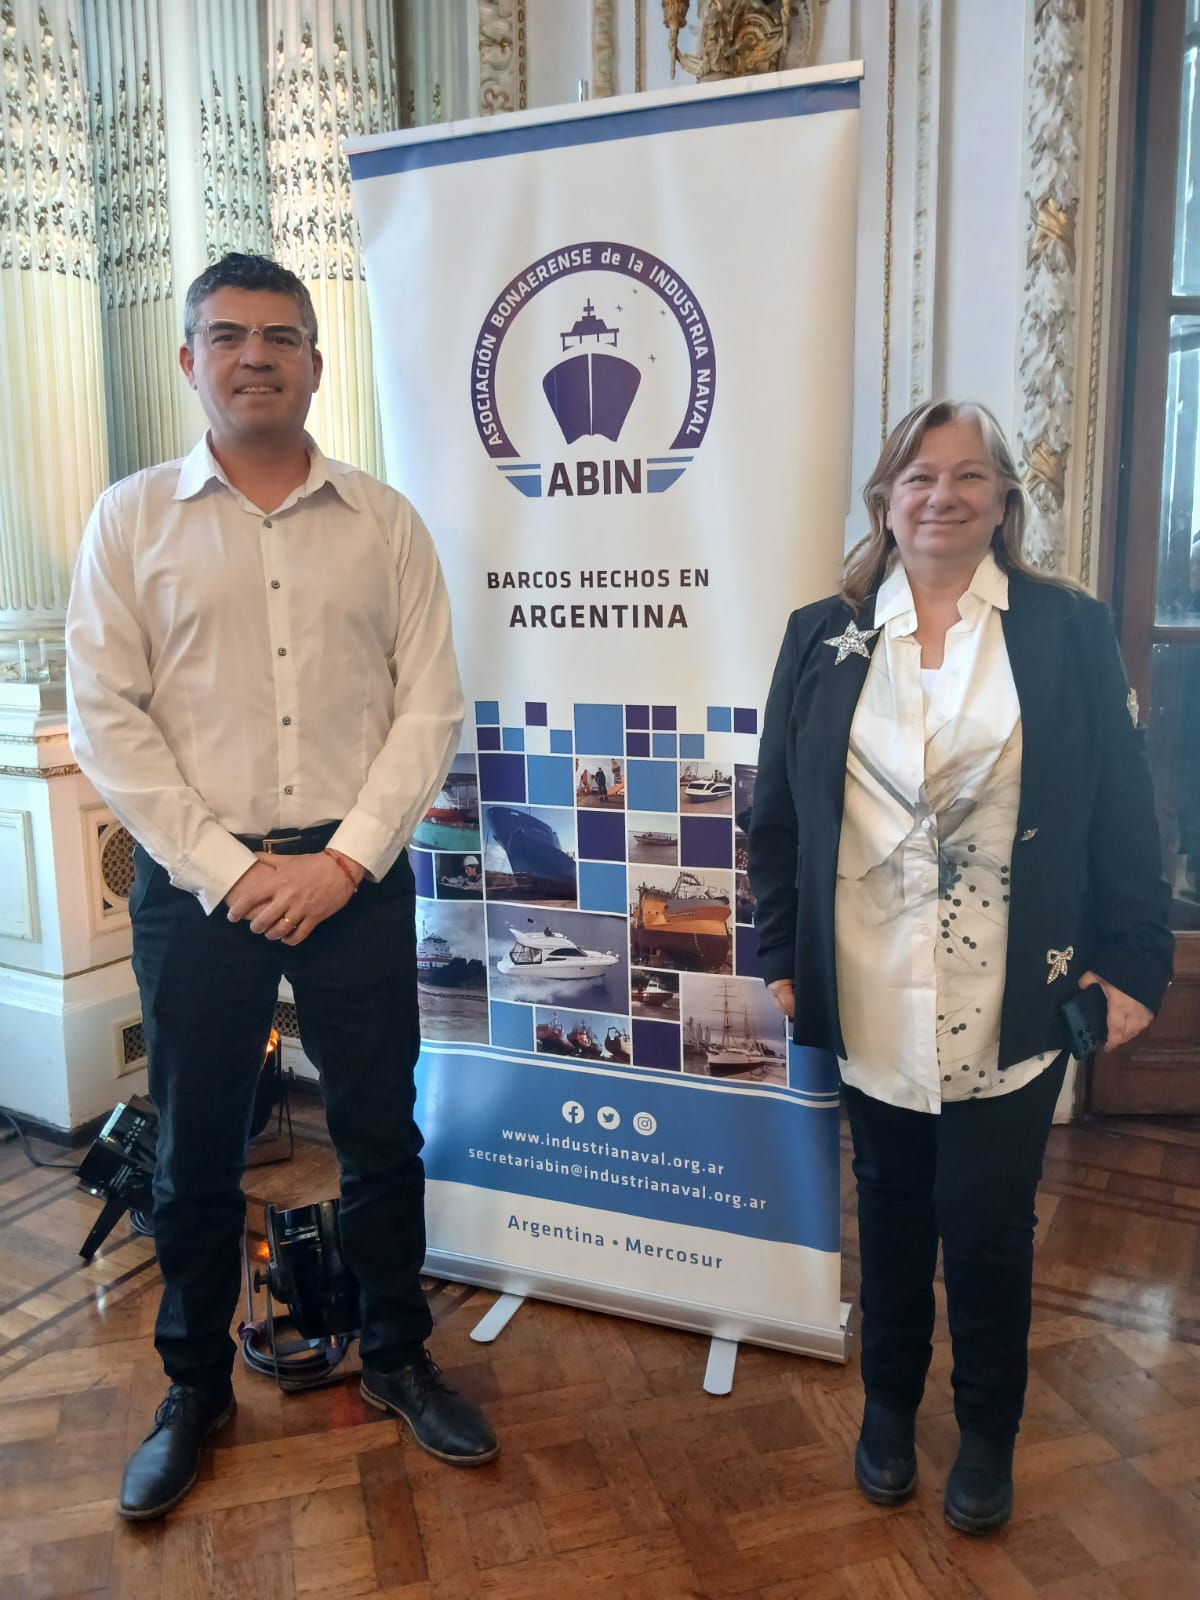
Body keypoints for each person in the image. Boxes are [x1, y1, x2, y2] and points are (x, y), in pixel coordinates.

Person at [66, 253, 498, 1521]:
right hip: (201, 885)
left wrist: (345, 860)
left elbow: (431, 705)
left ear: (317, 362)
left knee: (379, 1132)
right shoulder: (129, 521)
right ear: (189, 361)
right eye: (229, 335)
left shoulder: (386, 523)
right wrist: (233, 869)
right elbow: (108, 722)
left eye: (282, 335)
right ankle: (194, 1385)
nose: (257, 354)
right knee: (197, 1148)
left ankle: (401, 1353)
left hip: (353, 876)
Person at [748, 399, 1172, 1535]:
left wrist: (1134, 964)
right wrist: (780, 954)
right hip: (869, 987)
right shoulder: (819, 635)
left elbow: (1127, 812)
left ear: (1002, 501)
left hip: (1013, 994)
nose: (944, 496)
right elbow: (775, 817)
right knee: (885, 1214)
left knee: (987, 1223)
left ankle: (987, 1431)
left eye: (970, 476)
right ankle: (888, 1409)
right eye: (919, 477)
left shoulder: (1063, 630)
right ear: (886, 500)